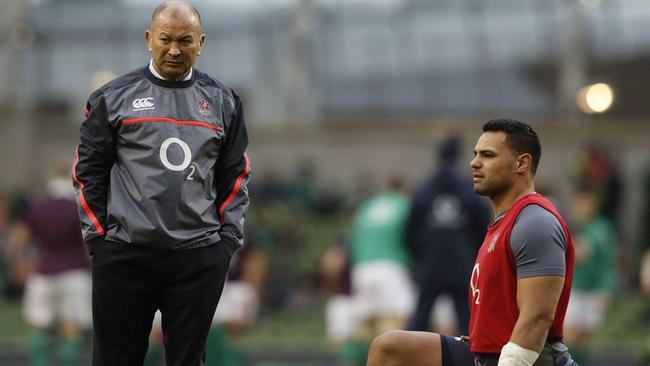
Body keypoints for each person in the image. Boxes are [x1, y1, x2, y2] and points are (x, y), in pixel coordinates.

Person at [72, 1, 251, 365]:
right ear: (149, 39)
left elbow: (236, 175)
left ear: (200, 43)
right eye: (165, 39)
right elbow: (87, 170)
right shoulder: (111, 99)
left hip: (197, 258)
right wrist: (100, 240)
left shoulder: (223, 102)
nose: (174, 49)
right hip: (124, 254)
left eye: (185, 40)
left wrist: (226, 242)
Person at [367, 118, 578, 366]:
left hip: (526, 361)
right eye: (475, 154)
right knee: (389, 349)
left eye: (488, 155)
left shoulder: (535, 223)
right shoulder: (502, 222)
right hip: (488, 353)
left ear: (522, 163)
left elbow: (537, 318)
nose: (474, 163)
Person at [406, 135, 490, 335]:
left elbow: (409, 232)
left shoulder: (424, 189)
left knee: (419, 323)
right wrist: (471, 255)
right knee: (468, 326)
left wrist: (423, 255)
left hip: (431, 264)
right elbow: (484, 229)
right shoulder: (470, 190)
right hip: (462, 266)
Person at [10, 166, 92, 366]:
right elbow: (86, 241)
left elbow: (18, 240)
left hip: (43, 273)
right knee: (71, 328)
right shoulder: (78, 205)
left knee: (39, 325)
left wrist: (20, 266)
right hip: (75, 273)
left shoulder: (38, 205)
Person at [348, 176, 416, 365]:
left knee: (364, 326)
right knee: (397, 325)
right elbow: (413, 237)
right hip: (390, 267)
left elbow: (353, 240)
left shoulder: (367, 207)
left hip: (362, 268)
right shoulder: (405, 205)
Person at [564, 188, 616, 366]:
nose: (576, 209)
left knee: (581, 337)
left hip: (595, 290)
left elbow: (584, 252)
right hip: (577, 289)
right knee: (570, 335)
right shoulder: (581, 228)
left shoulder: (599, 228)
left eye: (581, 205)